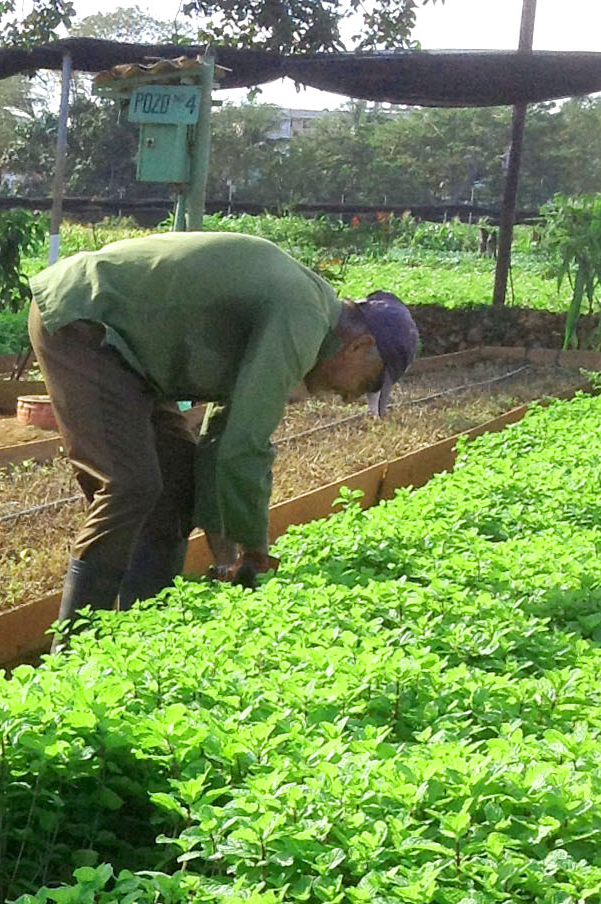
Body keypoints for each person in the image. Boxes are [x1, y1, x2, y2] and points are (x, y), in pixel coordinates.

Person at [26, 231, 418, 641]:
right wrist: (255, 550)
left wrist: (228, 558)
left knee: (176, 487)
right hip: (86, 322)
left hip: (133, 355)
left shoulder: (307, 315)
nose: (351, 397)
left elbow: (222, 436)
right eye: (369, 384)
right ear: (360, 346)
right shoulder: (304, 318)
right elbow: (244, 446)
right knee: (129, 485)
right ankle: (70, 651)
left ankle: (138, 641)